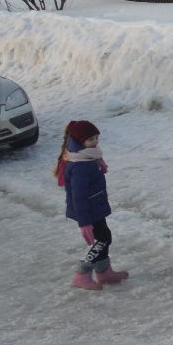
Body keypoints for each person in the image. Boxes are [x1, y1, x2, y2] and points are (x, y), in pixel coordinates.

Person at [55, 119, 128, 290]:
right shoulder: (80, 165)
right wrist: (84, 223)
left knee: (105, 236)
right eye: (90, 140)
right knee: (103, 239)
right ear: (79, 142)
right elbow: (78, 197)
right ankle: (82, 274)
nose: (94, 142)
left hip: (95, 208)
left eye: (96, 138)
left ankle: (104, 272)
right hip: (87, 211)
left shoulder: (88, 157)